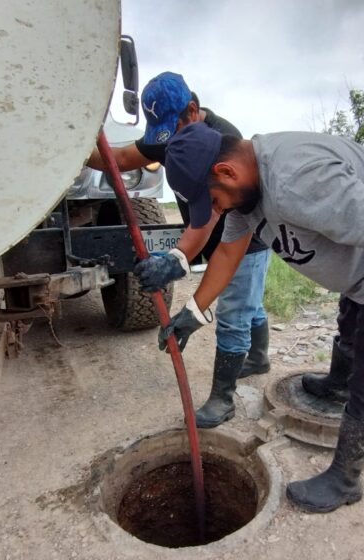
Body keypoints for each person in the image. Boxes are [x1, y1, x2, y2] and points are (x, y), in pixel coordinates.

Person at [158, 122, 364, 513]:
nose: (217, 210)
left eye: (214, 201)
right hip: (363, 271)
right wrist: (192, 314)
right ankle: (337, 385)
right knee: (351, 322)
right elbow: (228, 254)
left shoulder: (296, 179)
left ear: (226, 172)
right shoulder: (248, 192)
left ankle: (345, 480)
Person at [87, 72, 272, 427]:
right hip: (209, 227)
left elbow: (217, 215)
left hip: (246, 238)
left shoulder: (224, 139)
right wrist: (79, 154)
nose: (167, 144)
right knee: (249, 301)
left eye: (174, 131)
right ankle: (259, 357)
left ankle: (222, 399)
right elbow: (122, 158)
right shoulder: (166, 133)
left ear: (192, 108)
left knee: (236, 310)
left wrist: (179, 259)